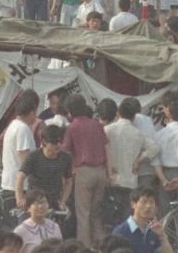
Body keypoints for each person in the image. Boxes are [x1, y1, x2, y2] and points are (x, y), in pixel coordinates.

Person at [60, 94, 109, 245]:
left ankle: (84, 248)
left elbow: (65, 151)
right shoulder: (97, 124)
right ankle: (102, 247)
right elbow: (107, 148)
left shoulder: (71, 127)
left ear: (69, 111)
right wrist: (109, 172)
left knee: (83, 215)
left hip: (84, 172)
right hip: (101, 171)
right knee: (96, 214)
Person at [110, 187, 175, 253]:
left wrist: (162, 235)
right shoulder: (121, 232)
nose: (148, 206)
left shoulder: (153, 231)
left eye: (151, 202)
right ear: (133, 204)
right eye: (144, 202)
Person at [2, 90, 40, 195]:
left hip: (10, 181)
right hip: (18, 185)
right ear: (32, 112)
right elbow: (24, 156)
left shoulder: (13, 125)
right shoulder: (22, 128)